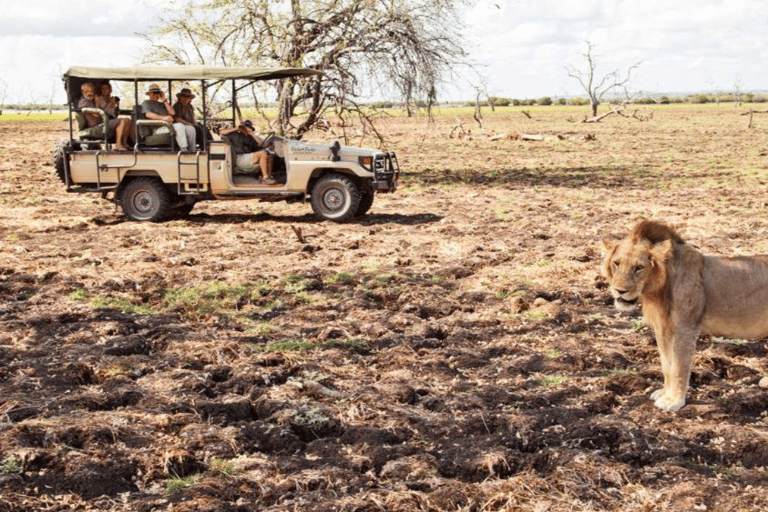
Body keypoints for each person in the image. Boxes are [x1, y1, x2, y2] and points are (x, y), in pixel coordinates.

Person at [141, 83, 196, 152]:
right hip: (157, 128)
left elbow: (172, 113)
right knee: (179, 126)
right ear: (149, 94)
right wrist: (164, 118)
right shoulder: (146, 103)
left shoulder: (162, 104)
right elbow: (148, 114)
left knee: (190, 129)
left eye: (158, 93)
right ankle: (183, 149)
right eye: (154, 93)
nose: (156, 95)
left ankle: (193, 151)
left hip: (168, 126)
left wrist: (164, 99)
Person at [78, 82, 131, 151]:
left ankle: (124, 143)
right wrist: (100, 103)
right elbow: (98, 115)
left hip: (102, 121)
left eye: (91, 91)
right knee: (123, 121)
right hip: (96, 125)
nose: (90, 93)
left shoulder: (90, 100)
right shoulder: (84, 102)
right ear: (82, 92)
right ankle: (118, 144)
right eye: (87, 91)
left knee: (127, 120)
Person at [220, 120, 276, 184]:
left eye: (248, 128)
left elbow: (261, 144)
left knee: (268, 157)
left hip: (247, 158)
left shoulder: (251, 138)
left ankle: (267, 177)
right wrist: (236, 128)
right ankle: (265, 178)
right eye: (244, 128)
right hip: (239, 158)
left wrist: (252, 134)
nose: (246, 129)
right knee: (262, 154)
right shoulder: (235, 135)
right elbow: (221, 132)